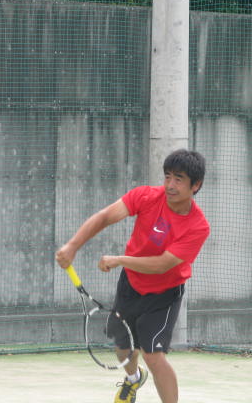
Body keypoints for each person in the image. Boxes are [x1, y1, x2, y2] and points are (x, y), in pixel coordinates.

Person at [55, 149, 210, 403]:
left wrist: (120, 260)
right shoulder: (147, 196)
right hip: (131, 285)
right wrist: (72, 246)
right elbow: (105, 216)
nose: (170, 185)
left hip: (164, 295)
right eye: (167, 177)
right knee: (122, 348)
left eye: (179, 179)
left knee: (153, 356)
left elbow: (162, 265)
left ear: (196, 185)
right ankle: (133, 378)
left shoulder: (198, 226)